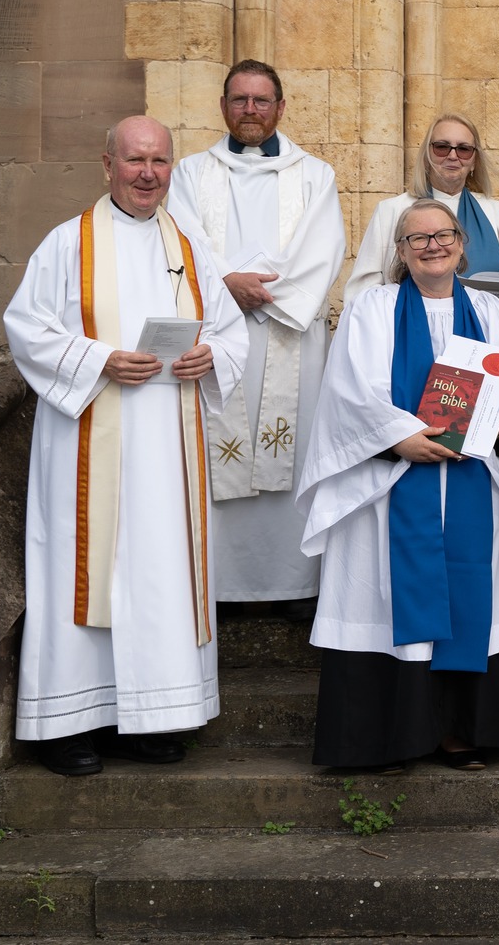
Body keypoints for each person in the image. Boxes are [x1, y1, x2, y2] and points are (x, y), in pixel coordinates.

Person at [4, 116, 249, 776]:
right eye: (136, 159)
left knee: (159, 570)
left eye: (160, 161)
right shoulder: (67, 244)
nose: (148, 172)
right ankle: (69, 725)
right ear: (106, 163)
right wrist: (97, 360)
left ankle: (154, 716)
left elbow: (230, 330)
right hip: (88, 440)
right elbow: (26, 328)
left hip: (169, 445)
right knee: (84, 572)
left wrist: (210, 356)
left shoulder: (189, 245)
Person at [296, 199, 499, 771]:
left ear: (461, 243)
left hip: (473, 476)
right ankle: (389, 736)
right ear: (399, 252)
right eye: (417, 238)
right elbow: (349, 389)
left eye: (444, 234)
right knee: (389, 602)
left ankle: (460, 732)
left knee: (468, 601)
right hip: (392, 480)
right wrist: (399, 437)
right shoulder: (371, 308)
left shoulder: (490, 310)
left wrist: (489, 430)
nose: (433, 245)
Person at [166, 59, 346, 616]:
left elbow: (325, 250)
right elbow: (179, 243)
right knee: (213, 456)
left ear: (281, 107)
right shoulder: (190, 175)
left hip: (289, 336)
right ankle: (218, 587)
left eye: (261, 100)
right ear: (223, 107)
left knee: (293, 460)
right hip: (216, 338)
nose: (250, 110)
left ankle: (294, 587)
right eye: (240, 100)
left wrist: (260, 292)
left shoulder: (316, 175)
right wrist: (225, 285)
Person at [346, 113, 499, 338]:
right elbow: (365, 288)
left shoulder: (497, 213)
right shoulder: (390, 211)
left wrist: (490, 330)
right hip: (406, 335)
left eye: (463, 149)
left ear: (474, 161)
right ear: (427, 155)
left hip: (482, 337)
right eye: (442, 147)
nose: (452, 156)